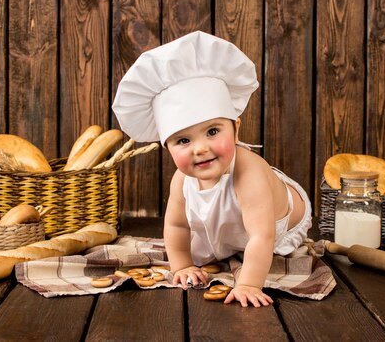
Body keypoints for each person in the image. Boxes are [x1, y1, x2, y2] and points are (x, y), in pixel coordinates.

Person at [112, 31, 312, 307]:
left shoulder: (248, 172)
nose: (200, 148)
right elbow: (176, 225)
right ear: (167, 147)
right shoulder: (181, 180)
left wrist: (249, 284)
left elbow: (261, 235)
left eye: (213, 131)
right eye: (183, 140)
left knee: (255, 230)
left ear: (236, 128)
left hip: (280, 222)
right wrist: (181, 266)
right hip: (233, 226)